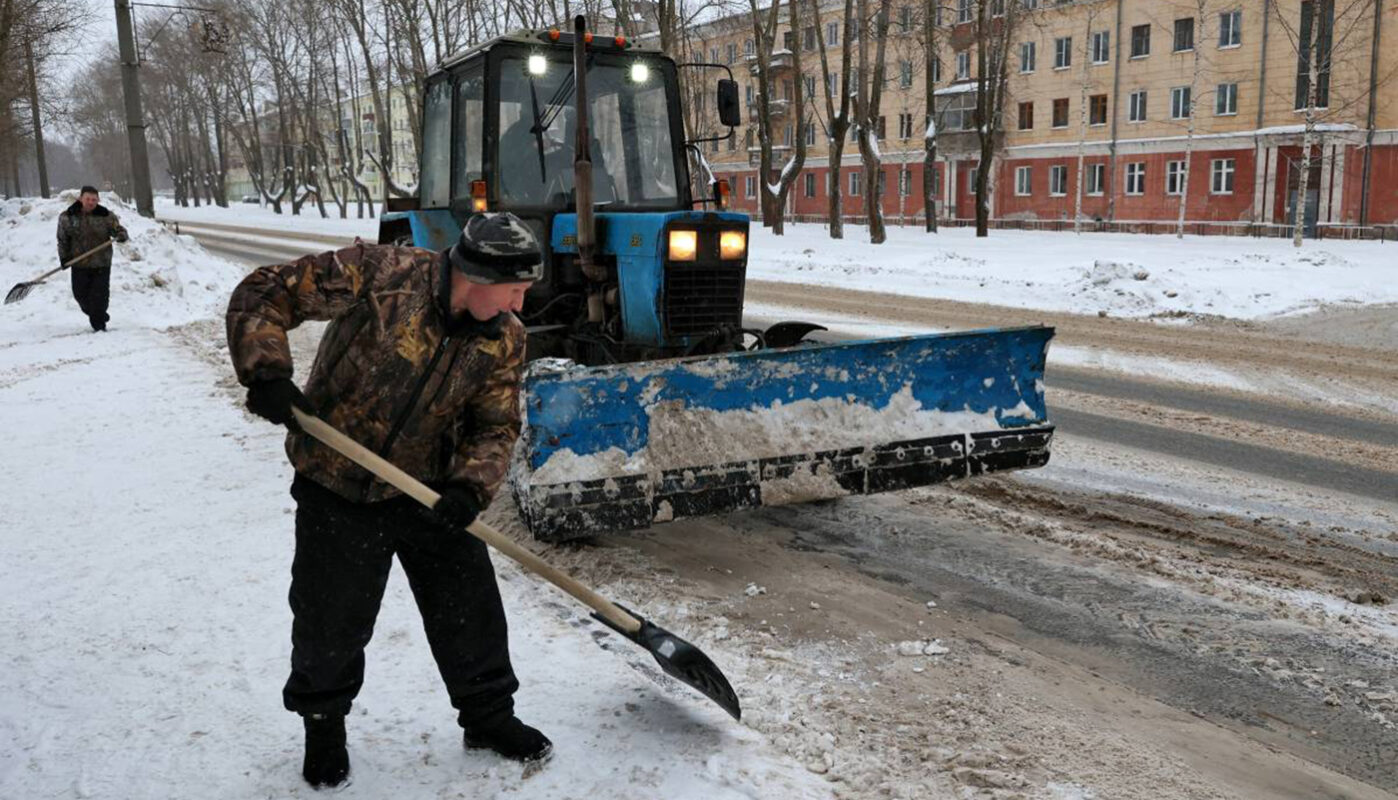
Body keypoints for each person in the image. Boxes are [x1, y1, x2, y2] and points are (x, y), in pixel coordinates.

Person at [225, 212, 549, 789]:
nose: (520, 305)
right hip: (337, 480)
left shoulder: (504, 336)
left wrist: (468, 487)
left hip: (428, 489)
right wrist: (266, 371)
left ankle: (488, 717)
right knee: (332, 617)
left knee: (469, 606)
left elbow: (496, 425)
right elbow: (266, 292)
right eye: (517, 290)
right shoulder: (381, 274)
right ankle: (324, 724)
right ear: (478, 274)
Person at [56, 186, 128, 331]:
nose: (90, 202)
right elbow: (62, 239)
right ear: (81, 198)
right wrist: (64, 258)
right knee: (80, 295)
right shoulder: (67, 216)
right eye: (88, 199)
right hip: (79, 263)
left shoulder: (106, 216)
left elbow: (118, 230)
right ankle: (99, 315)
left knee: (100, 297)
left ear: (98, 200)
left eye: (94, 200)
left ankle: (99, 325)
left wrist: (121, 235)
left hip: (101, 263)